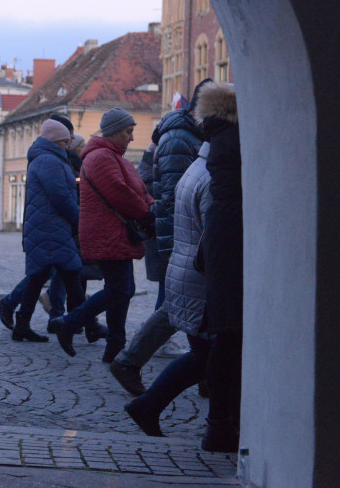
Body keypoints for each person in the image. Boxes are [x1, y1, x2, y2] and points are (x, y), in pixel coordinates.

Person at [110, 85, 207, 394]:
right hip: (183, 233)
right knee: (177, 303)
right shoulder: (179, 137)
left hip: (183, 232)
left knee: (180, 303)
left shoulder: (188, 134)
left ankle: (207, 376)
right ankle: (130, 362)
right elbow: (176, 192)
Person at [48, 108, 154, 362]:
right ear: (115, 132)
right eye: (128, 132)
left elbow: (137, 189)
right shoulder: (101, 158)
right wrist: (148, 214)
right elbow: (122, 194)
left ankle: (115, 347)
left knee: (122, 289)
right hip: (108, 234)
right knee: (120, 289)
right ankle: (70, 322)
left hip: (115, 234)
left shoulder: (113, 157)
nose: (131, 138)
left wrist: (151, 205)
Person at [124, 139, 213, 436]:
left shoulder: (197, 167)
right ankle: (147, 400)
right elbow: (215, 236)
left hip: (187, 267)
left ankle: (147, 400)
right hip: (199, 273)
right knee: (206, 355)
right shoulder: (210, 175)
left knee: (206, 354)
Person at [11, 120, 89, 343]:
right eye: (66, 141)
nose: (68, 145)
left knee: (40, 277)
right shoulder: (49, 161)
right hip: (50, 228)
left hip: (47, 227)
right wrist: (79, 218)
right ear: (56, 141)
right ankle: (79, 323)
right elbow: (61, 197)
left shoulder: (47, 158)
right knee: (72, 274)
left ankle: (22, 325)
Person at [195, 81, 242, 452]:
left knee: (224, 337)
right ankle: (221, 426)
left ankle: (220, 425)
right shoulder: (233, 140)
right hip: (231, 243)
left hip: (220, 243)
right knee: (229, 338)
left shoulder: (215, 140)